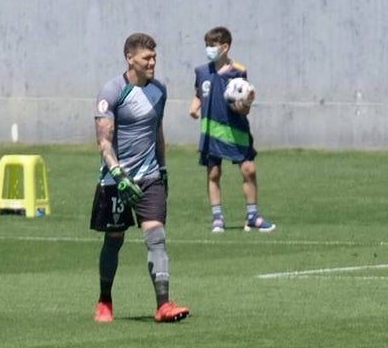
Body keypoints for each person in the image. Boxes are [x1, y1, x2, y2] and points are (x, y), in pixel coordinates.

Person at [90, 32, 190, 324]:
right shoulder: (111, 91)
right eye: (147, 58)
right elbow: (103, 141)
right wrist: (118, 174)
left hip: (150, 177)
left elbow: (157, 131)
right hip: (116, 179)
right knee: (114, 240)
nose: (152, 63)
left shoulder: (159, 91)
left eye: (154, 58)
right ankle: (105, 300)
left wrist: (164, 169)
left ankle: (163, 305)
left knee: (156, 237)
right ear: (130, 58)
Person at [188, 26, 275, 233]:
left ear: (224, 47)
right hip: (211, 132)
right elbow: (200, 92)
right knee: (214, 173)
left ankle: (253, 216)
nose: (208, 49)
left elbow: (245, 101)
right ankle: (217, 218)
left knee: (249, 170)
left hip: (236, 131)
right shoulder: (202, 71)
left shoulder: (238, 71)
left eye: (212, 45)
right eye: (207, 45)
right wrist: (195, 106)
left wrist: (243, 107)